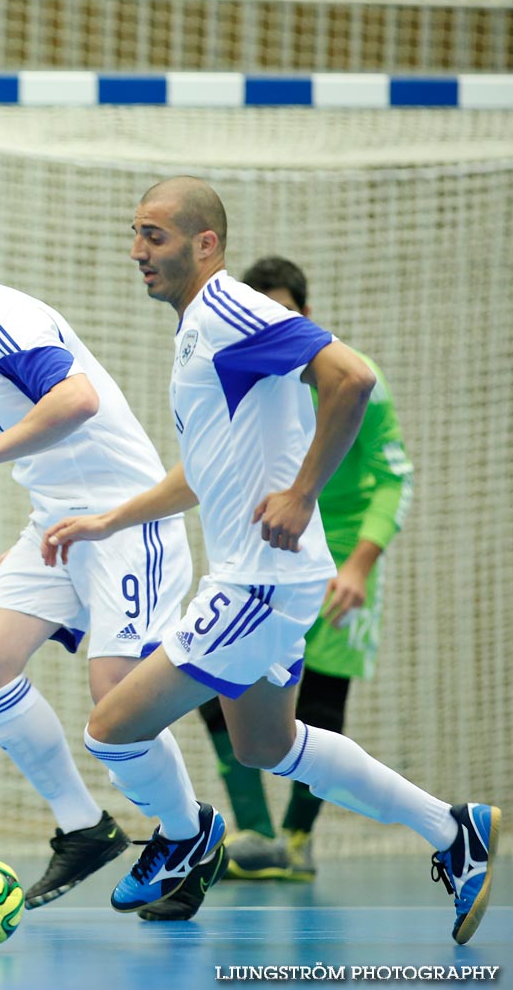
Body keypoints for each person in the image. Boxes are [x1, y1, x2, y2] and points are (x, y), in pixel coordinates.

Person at [42, 176, 498, 943]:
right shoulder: (195, 331)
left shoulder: (232, 310)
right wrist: (108, 519)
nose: (137, 251)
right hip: (265, 579)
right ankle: (455, 831)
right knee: (268, 745)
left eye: (154, 235)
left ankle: (186, 837)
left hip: (261, 579)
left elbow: (351, 379)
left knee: (111, 728)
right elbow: (204, 471)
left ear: (205, 243)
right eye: (136, 234)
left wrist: (301, 492)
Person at [0, 203, 222, 919]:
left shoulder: (4, 320)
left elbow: (74, 400)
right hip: (56, 527)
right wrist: (24, 536)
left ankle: (187, 836)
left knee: (118, 707)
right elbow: (55, 449)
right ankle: (84, 828)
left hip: (125, 522)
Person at [198, 257, 415, 883]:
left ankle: (296, 839)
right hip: (266, 553)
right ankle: (255, 833)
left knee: (319, 700)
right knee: (214, 685)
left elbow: (395, 480)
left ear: (305, 314)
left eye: (284, 310)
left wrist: (359, 566)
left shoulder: (350, 378)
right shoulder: (247, 378)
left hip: (340, 555)